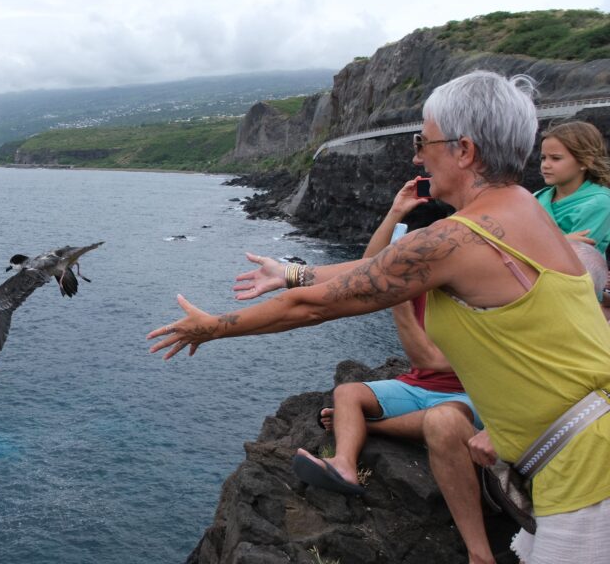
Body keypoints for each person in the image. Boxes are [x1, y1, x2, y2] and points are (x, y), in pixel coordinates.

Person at [147, 71, 610, 564]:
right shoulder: (529, 212)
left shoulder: (461, 238)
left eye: (423, 140)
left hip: (586, 469)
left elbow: (323, 304)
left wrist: (214, 327)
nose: (417, 155)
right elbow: (383, 269)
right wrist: (293, 272)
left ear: (465, 150)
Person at [254, 181, 496, 562]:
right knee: (349, 392)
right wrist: (396, 211)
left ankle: (371, 427)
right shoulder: (412, 278)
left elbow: (429, 359)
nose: (407, 258)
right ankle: (344, 465)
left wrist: (398, 308)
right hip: (420, 387)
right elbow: (367, 268)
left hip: (470, 396)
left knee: (441, 420)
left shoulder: (465, 284)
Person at [535, 120, 610, 256]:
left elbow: (578, 256)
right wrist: (564, 242)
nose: (545, 165)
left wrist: (559, 245)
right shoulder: (535, 198)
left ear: (585, 161)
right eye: (543, 158)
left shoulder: (599, 203)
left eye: (555, 158)